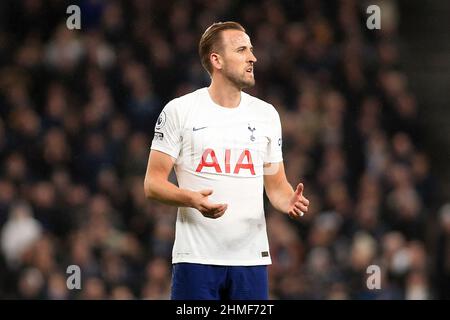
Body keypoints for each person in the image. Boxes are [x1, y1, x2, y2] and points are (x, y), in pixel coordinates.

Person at [144, 21, 310, 300]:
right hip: (196, 258)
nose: (252, 57)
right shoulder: (180, 111)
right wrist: (192, 199)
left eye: (252, 50)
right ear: (216, 60)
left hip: (251, 259)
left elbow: (277, 185)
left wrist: (287, 201)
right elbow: (152, 184)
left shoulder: (266, 115)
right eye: (242, 50)